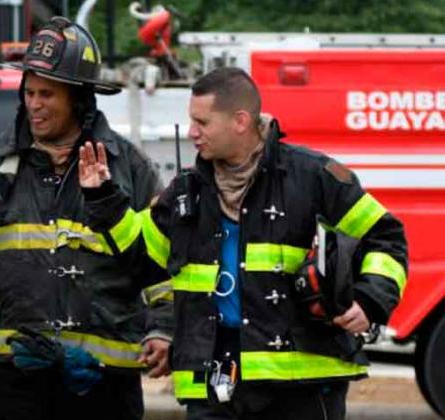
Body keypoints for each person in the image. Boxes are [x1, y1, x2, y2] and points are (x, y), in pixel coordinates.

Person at [78, 67, 408, 420]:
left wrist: (370, 300)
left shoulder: (313, 176)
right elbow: (139, 256)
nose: (192, 133)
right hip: (215, 376)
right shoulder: (186, 192)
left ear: (239, 121)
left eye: (202, 122)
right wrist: (104, 200)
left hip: (302, 383)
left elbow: (384, 236)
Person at [0, 16, 171, 420]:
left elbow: (165, 255)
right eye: (29, 92)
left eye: (47, 94)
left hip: (103, 379)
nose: (34, 104)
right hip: (13, 369)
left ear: (79, 99)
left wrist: (163, 326)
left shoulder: (129, 167)